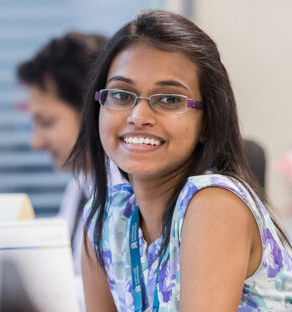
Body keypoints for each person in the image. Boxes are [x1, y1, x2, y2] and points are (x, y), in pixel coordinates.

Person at [68, 10, 292, 311]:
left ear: (208, 122)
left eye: (169, 99)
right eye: (122, 95)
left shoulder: (215, 203)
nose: (138, 117)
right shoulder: (106, 219)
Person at [17, 32, 123, 275]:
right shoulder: (82, 184)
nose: (35, 142)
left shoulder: (127, 196)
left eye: (46, 122)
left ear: (91, 114)